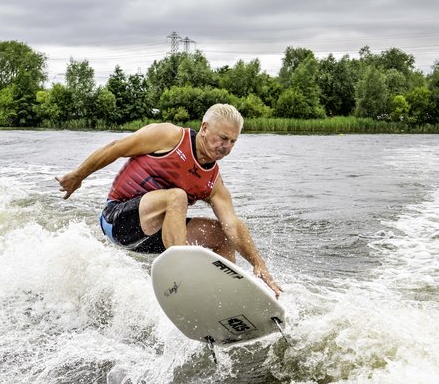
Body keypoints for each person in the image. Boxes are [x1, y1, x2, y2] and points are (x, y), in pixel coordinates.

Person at [56, 103, 282, 298]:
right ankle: (181, 279)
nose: (227, 147)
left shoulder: (214, 183)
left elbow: (232, 224)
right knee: (177, 196)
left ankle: (224, 296)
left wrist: (257, 263)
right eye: (223, 138)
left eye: (233, 141)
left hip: (156, 237)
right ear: (204, 128)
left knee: (223, 235)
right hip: (117, 221)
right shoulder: (170, 137)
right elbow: (116, 148)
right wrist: (78, 176)